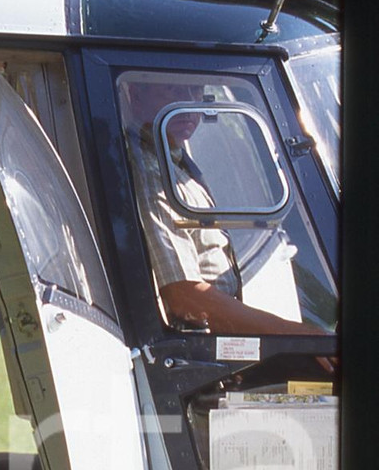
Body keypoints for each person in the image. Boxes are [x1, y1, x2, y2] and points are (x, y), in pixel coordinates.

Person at [124, 80, 319, 336]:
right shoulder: (150, 170)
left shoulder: (173, 160)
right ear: (136, 96)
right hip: (192, 340)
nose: (188, 103)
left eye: (195, 90)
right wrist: (291, 333)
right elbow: (183, 295)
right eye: (174, 89)